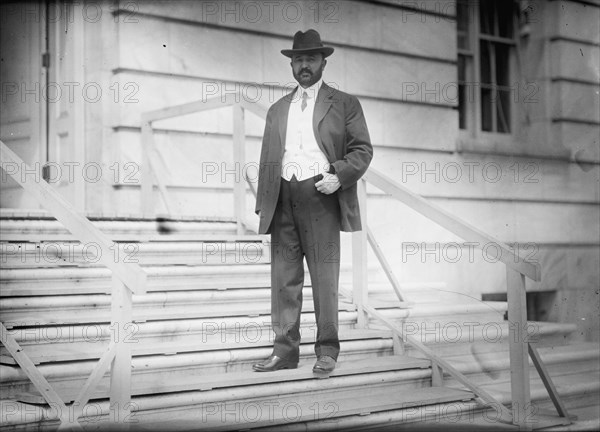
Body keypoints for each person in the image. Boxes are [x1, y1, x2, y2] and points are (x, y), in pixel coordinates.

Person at [253, 29, 373, 374]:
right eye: (298, 59)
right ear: (292, 64)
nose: (304, 65)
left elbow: (362, 150)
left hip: (321, 195)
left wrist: (340, 175)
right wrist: (265, 203)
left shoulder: (345, 103)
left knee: (324, 278)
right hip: (283, 197)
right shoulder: (277, 109)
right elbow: (267, 159)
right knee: (284, 280)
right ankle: (285, 351)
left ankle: (327, 350)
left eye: (311, 59)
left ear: (323, 62)